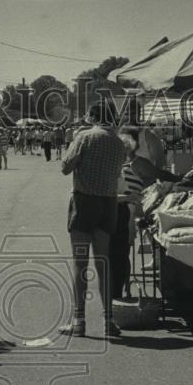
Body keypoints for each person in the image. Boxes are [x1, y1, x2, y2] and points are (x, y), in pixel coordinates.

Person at [60, 101, 126, 338]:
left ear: (94, 116)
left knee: (80, 263)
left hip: (84, 201)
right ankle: (109, 321)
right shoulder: (120, 143)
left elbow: (65, 167)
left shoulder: (85, 136)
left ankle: (79, 320)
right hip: (108, 204)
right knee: (103, 263)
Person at [111, 132, 144, 300]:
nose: (125, 156)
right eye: (123, 152)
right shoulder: (113, 170)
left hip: (125, 215)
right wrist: (129, 198)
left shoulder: (125, 170)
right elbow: (109, 196)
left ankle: (124, 289)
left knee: (123, 255)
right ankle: (117, 291)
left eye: (126, 153)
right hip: (117, 215)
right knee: (118, 256)